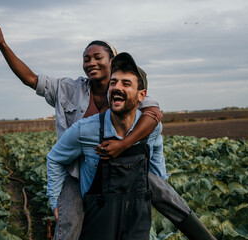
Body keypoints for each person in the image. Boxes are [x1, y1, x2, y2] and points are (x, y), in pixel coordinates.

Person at [0, 21, 215, 240]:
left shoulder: (131, 90)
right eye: (86, 59)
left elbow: (153, 117)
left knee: (160, 197)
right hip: (78, 170)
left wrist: (126, 149)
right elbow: (31, 78)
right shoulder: (68, 90)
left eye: (97, 57)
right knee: (69, 224)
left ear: (113, 61)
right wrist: (2, 45)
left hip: (121, 166)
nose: (90, 62)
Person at [47, 52, 165, 239]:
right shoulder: (85, 130)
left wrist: (160, 189)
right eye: (113, 82)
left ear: (142, 95)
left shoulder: (151, 128)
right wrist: (55, 201)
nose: (117, 88)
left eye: (126, 84)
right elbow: (54, 158)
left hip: (136, 220)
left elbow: (156, 155)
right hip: (98, 222)